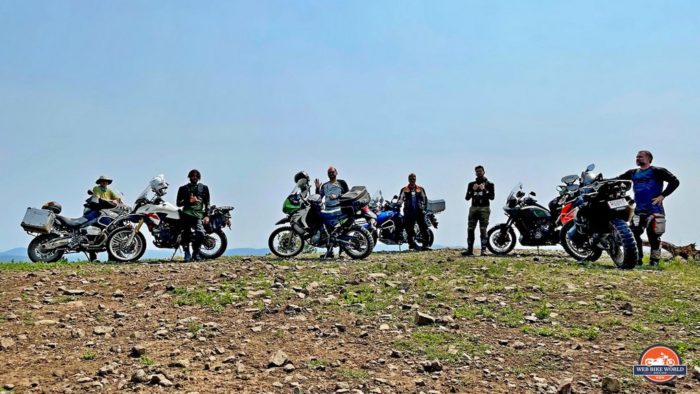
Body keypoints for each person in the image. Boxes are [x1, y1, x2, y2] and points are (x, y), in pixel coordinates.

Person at [618, 150, 679, 266]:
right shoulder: (632, 173)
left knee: (653, 236)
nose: (637, 159)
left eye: (640, 157)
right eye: (636, 157)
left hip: (654, 210)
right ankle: (637, 259)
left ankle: (654, 261)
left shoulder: (657, 171)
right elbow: (617, 179)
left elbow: (675, 181)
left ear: (648, 159)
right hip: (638, 210)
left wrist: (662, 195)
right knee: (633, 234)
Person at [314, 166, 350, 259]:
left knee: (341, 231)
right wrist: (317, 188)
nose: (331, 174)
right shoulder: (325, 185)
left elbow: (348, 195)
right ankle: (329, 252)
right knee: (328, 232)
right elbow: (319, 196)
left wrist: (337, 196)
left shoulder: (342, 183)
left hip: (339, 209)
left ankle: (342, 252)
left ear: (336, 173)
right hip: (328, 210)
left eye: (332, 172)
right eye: (329, 172)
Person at [176, 169, 211, 262]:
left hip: (198, 215)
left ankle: (196, 253)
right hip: (186, 214)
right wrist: (188, 201)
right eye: (192, 176)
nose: (194, 177)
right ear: (189, 177)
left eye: (196, 176)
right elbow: (178, 203)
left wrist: (207, 215)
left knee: (201, 233)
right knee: (185, 234)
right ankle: (187, 254)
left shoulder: (204, 188)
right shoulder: (182, 188)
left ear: (198, 177)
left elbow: (207, 203)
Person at [462, 166, 495, 256]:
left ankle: (483, 250)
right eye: (477, 171)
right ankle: (469, 250)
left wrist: (484, 189)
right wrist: (472, 190)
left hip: (484, 208)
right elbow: (467, 198)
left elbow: (492, 197)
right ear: (475, 173)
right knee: (470, 229)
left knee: (483, 229)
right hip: (473, 208)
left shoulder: (489, 184)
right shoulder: (471, 184)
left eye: (480, 171)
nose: (478, 173)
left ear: (484, 172)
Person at [398, 173, 431, 251]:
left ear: (415, 179)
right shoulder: (404, 189)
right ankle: (411, 246)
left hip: (419, 212)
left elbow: (425, 199)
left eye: (414, 179)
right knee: (409, 230)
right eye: (411, 179)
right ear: (408, 180)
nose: (412, 180)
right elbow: (400, 199)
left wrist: (424, 209)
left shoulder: (420, 189)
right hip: (409, 212)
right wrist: (398, 204)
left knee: (424, 228)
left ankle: (426, 245)